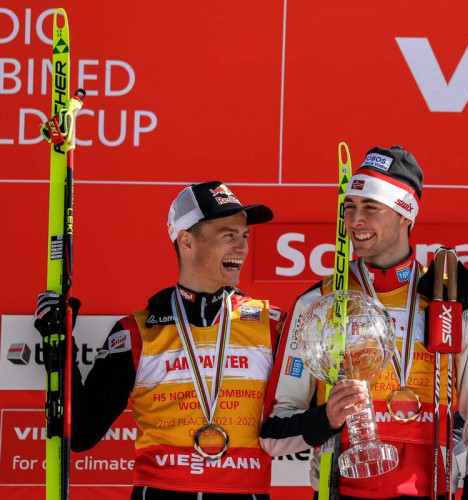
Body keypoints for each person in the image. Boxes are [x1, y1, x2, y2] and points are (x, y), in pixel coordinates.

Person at [259, 145, 468, 499]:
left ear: (406, 215)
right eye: (350, 208)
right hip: (342, 491)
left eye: (371, 208)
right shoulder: (318, 302)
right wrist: (326, 417)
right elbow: (273, 437)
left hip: (430, 491)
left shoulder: (450, 299)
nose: (356, 220)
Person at [34, 181, 286, 500]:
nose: (242, 247)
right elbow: (81, 432)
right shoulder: (136, 332)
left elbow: (303, 418)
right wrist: (58, 343)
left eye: (244, 236)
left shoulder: (272, 325)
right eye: (228, 235)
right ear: (186, 240)